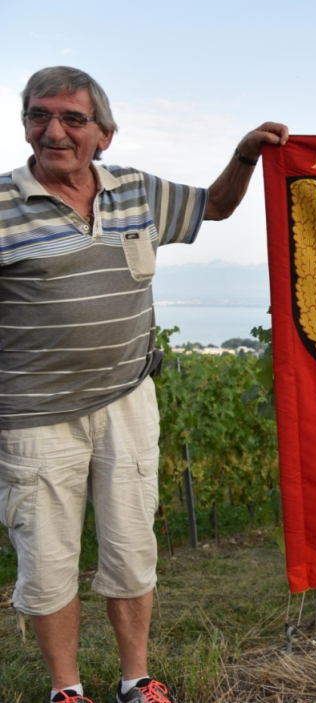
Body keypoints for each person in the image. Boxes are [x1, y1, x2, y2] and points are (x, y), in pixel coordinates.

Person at [0, 66, 288, 703]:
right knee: (47, 563)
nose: (54, 131)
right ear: (25, 124)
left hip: (129, 403)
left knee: (131, 547)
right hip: (34, 419)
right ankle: (66, 690)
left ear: (103, 134)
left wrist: (244, 156)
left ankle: (137, 678)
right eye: (39, 115)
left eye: (73, 119)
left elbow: (214, 206)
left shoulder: (135, 189)